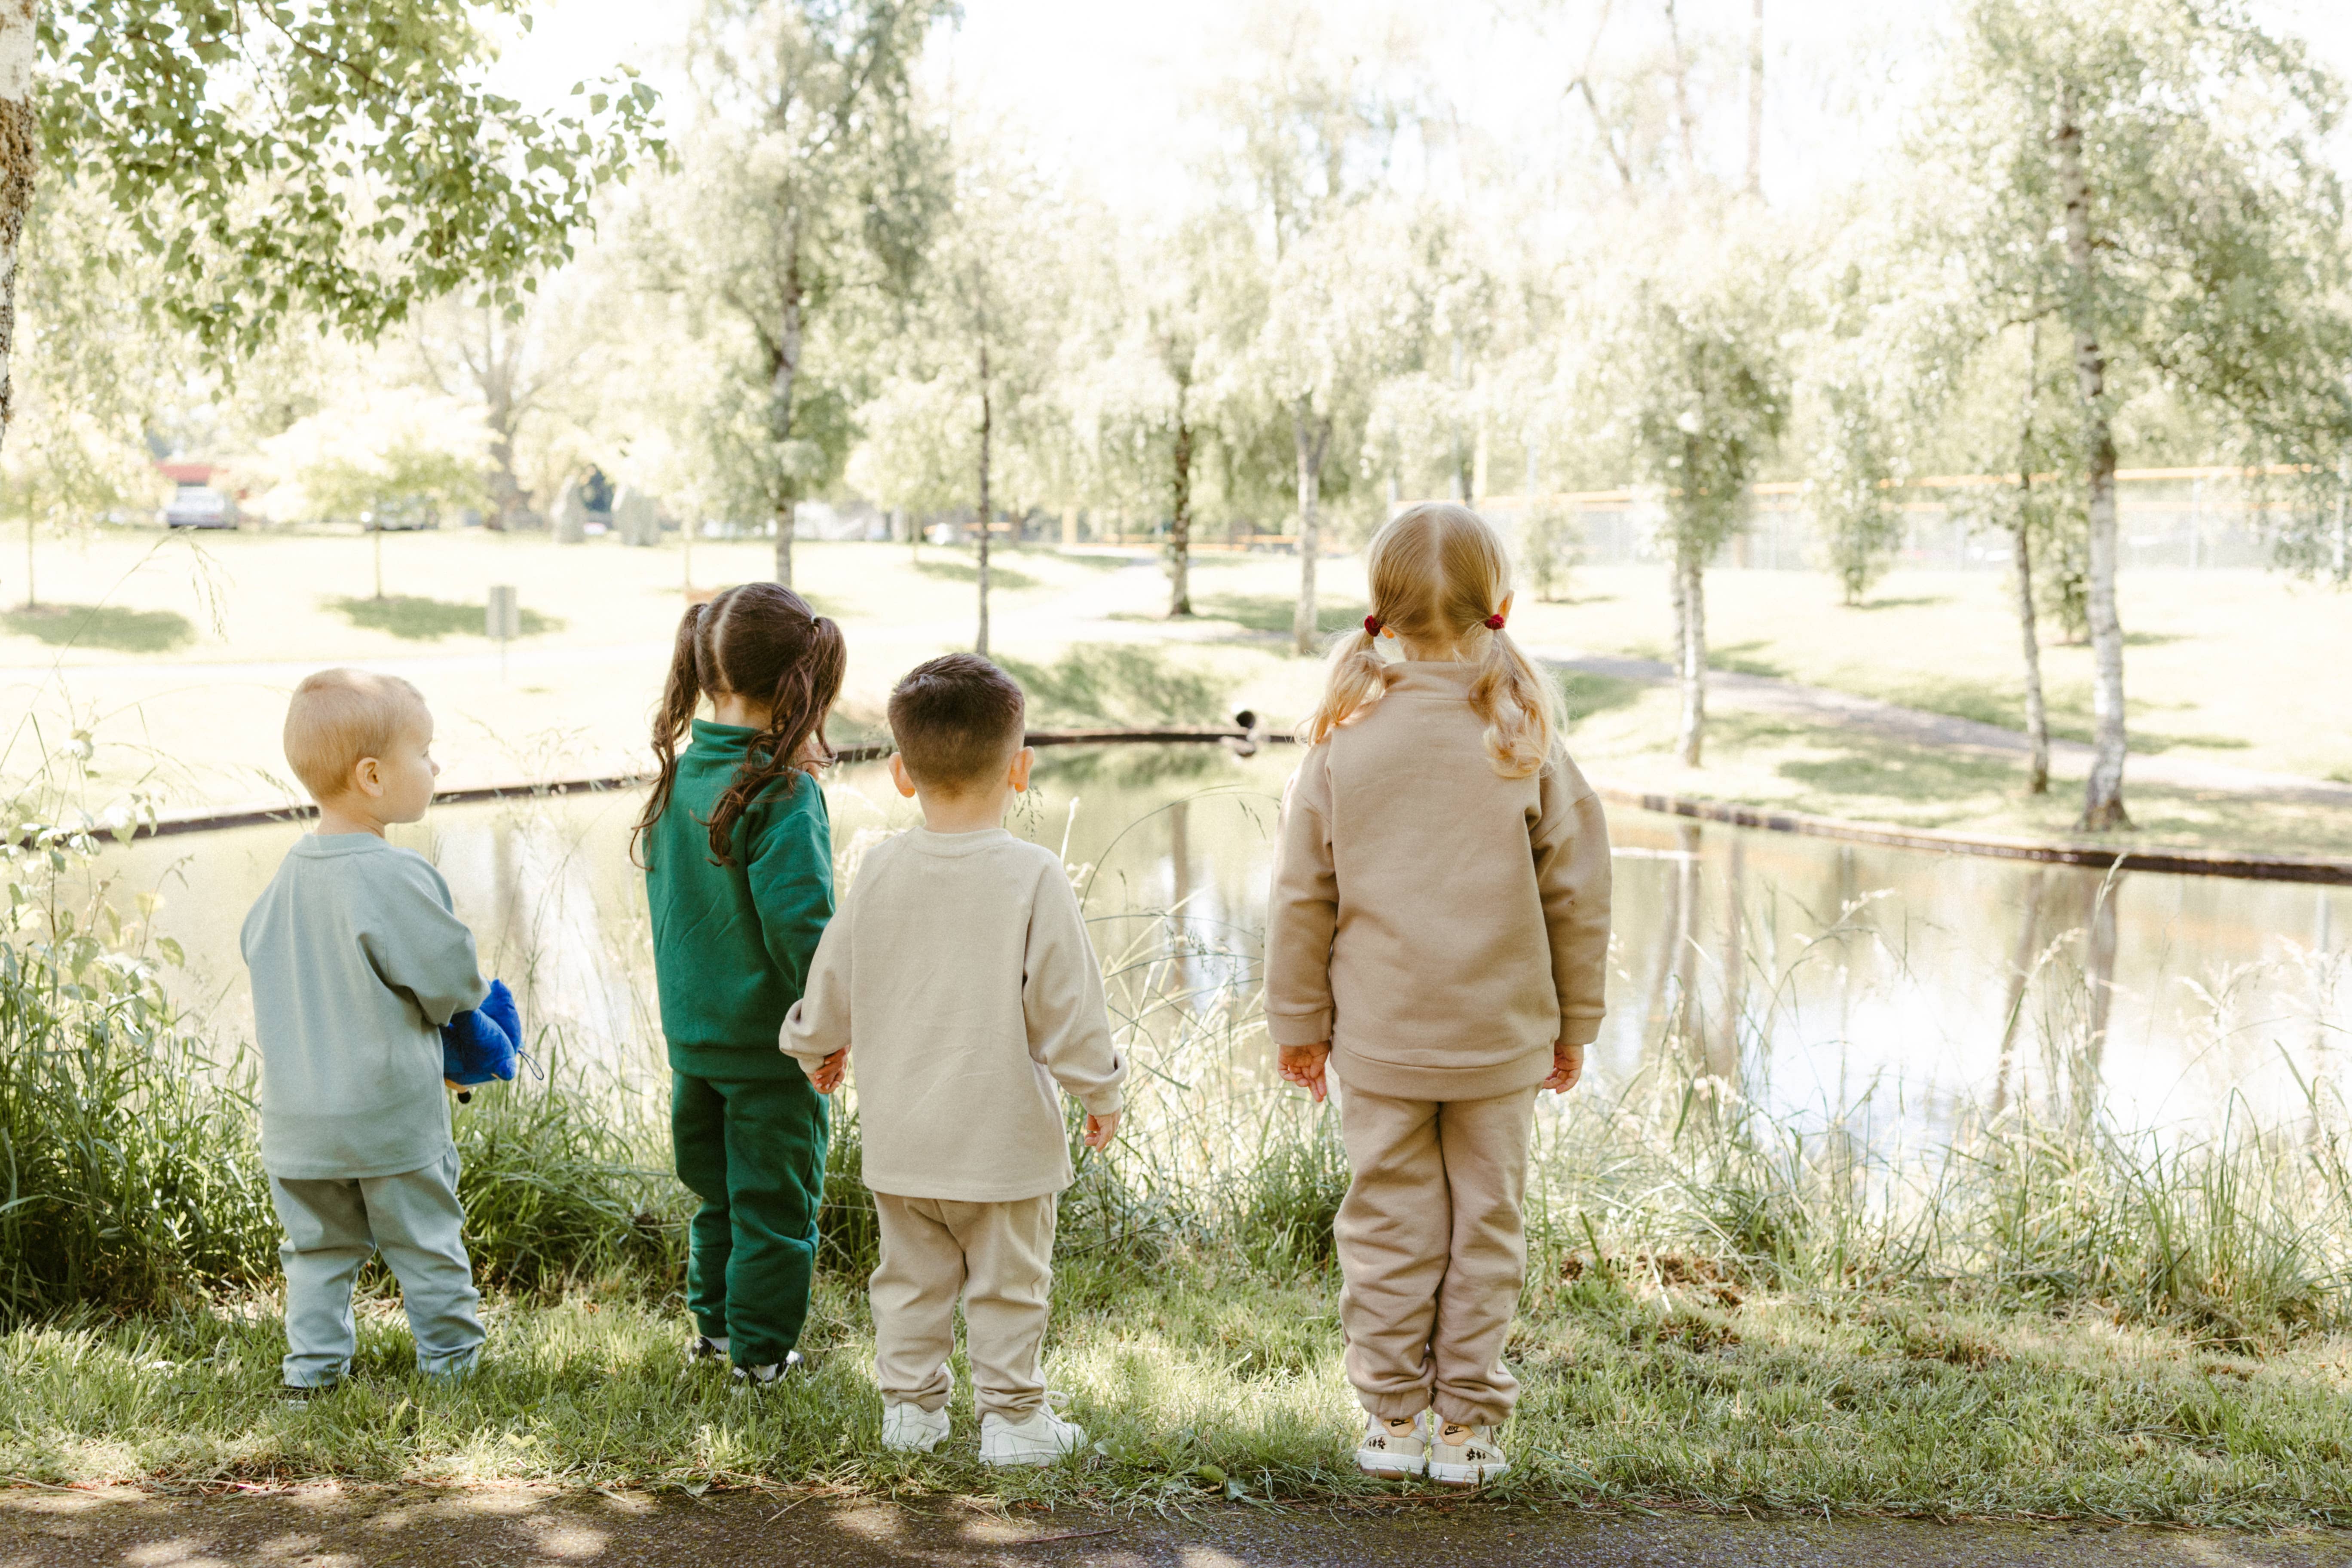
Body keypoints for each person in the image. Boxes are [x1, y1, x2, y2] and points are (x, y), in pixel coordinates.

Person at [1265, 502, 1613, 1486]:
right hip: (1500, 1039)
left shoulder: (1345, 738)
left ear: (1378, 608)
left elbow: (1301, 895)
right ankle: (1466, 1427)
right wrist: (1576, 1023)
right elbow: (1579, 893)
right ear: (1500, 603)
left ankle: (1392, 1418)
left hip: (1379, 1041)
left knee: (1388, 1225)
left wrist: (1299, 1025)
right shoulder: (1524, 730)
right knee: (1487, 1224)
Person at [783, 653, 1126, 1465]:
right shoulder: (1033, 875)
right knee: (1009, 1286)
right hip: (1003, 1144)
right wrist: (1101, 1090)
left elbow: (834, 975)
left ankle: (912, 1412)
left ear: (902, 774)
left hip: (904, 1140)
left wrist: (816, 1043)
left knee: (908, 1282)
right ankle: (1013, 1421)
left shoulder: (880, 867)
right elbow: (1068, 1005)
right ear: (1021, 770)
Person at [242, 668, 495, 1391]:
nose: (436, 767)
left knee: (317, 1255)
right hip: (389, 1119)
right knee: (426, 1243)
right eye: (426, 752)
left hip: (298, 1128)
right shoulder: (396, 875)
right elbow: (452, 985)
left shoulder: (282, 884)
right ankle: (451, 1367)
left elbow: (258, 955)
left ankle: (312, 1373)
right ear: (374, 776)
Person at [635, 583, 846, 1389]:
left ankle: (717, 1332)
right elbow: (807, 931)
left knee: (718, 1198)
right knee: (774, 1207)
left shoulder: (680, 777)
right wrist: (829, 1029)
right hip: (768, 1052)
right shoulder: (782, 792)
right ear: (802, 683)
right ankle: (760, 1357)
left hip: (693, 1046)